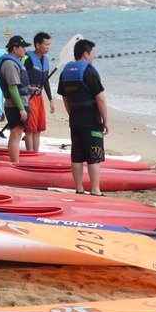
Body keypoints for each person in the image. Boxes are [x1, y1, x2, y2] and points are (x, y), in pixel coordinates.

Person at [57, 38, 109, 195]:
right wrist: (105, 120)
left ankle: (79, 189)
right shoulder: (89, 70)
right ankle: (95, 190)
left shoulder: (65, 71)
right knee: (94, 155)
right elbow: (100, 98)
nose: (94, 56)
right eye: (93, 53)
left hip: (75, 120)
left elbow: (65, 98)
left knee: (77, 156)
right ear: (85, 54)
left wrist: (71, 113)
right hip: (91, 119)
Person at [0, 35, 32, 162]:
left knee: (16, 135)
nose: (25, 50)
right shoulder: (9, 64)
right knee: (16, 136)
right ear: (15, 48)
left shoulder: (14, 63)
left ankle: (14, 162)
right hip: (15, 106)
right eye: (23, 47)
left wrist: (30, 90)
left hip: (20, 103)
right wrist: (21, 109)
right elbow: (12, 88)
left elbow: (19, 87)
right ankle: (15, 163)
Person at [23, 31, 56, 152]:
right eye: (46, 44)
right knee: (30, 129)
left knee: (38, 129)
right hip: (28, 97)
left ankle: (35, 154)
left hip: (39, 98)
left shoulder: (45, 60)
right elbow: (20, 78)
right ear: (37, 45)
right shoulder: (28, 59)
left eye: (49, 45)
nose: (48, 47)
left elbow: (45, 81)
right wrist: (29, 89)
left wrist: (51, 100)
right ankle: (29, 155)